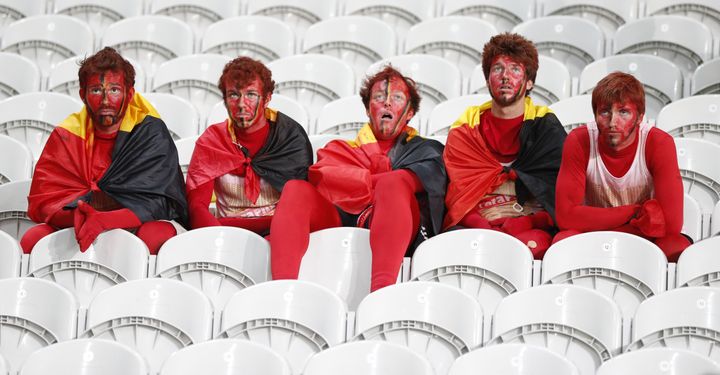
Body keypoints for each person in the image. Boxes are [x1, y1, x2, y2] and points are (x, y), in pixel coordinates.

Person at [270, 66, 446, 291]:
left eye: (397, 97)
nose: (387, 103)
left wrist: (358, 181)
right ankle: (280, 290)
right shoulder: (338, 150)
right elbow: (324, 178)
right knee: (295, 189)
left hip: (402, 226)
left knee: (394, 185)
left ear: (410, 112)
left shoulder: (427, 150)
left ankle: (381, 292)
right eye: (379, 97)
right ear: (367, 108)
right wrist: (375, 181)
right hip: (342, 219)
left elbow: (416, 181)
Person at [22, 47, 187, 254]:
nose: (106, 99)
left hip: (137, 223)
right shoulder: (67, 135)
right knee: (33, 238)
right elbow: (44, 201)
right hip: (77, 221)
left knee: (156, 234)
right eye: (96, 90)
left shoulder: (149, 132)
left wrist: (104, 220)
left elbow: (160, 202)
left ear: (129, 94)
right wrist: (78, 216)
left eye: (114, 90)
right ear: (83, 95)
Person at [443, 33, 567, 258]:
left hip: (531, 226)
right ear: (488, 78)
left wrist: (525, 224)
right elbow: (457, 197)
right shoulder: (466, 128)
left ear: (529, 82)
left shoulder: (545, 127)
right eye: (497, 69)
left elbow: (559, 197)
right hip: (477, 226)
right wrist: (483, 227)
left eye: (515, 69)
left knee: (526, 251)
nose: (505, 77)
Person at [554, 71, 690, 260]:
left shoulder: (658, 143)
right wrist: (634, 212)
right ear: (595, 115)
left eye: (623, 112)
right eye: (604, 112)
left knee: (676, 246)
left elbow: (671, 224)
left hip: (641, 239)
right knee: (563, 240)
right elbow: (566, 218)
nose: (612, 122)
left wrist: (603, 222)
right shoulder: (579, 140)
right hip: (600, 235)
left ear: (640, 116)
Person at [185, 57, 312, 235]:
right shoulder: (213, 141)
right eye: (233, 95)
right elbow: (197, 207)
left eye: (251, 94)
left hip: (278, 234)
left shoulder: (289, 139)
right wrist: (217, 238)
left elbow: (300, 207)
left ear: (267, 98)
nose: (241, 104)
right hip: (226, 233)